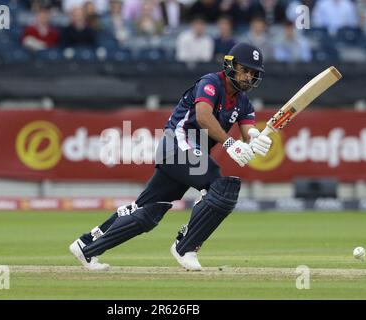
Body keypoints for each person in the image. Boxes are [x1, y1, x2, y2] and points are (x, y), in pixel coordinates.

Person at [69, 42, 273, 271]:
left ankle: (87, 246)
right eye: (244, 70)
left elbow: (248, 133)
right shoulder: (210, 83)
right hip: (177, 145)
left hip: (188, 156)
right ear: (230, 65)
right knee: (220, 185)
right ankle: (185, 246)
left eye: (253, 73)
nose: (248, 76)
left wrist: (256, 139)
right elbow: (204, 117)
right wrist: (229, 143)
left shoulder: (243, 102)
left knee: (147, 213)